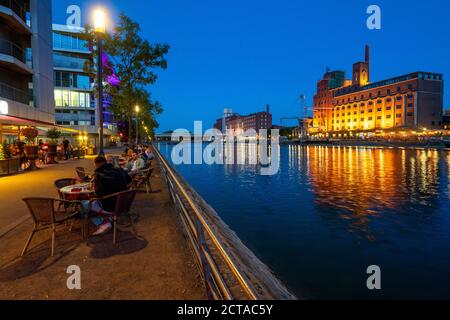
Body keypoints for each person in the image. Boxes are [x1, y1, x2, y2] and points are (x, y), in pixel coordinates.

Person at [86, 156, 132, 235]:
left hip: (110, 207)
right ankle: (108, 219)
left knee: (85, 205)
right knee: (93, 202)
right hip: (123, 204)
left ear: (96, 164)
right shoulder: (119, 170)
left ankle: (103, 223)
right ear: (106, 162)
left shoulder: (99, 175)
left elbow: (99, 195)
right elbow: (129, 180)